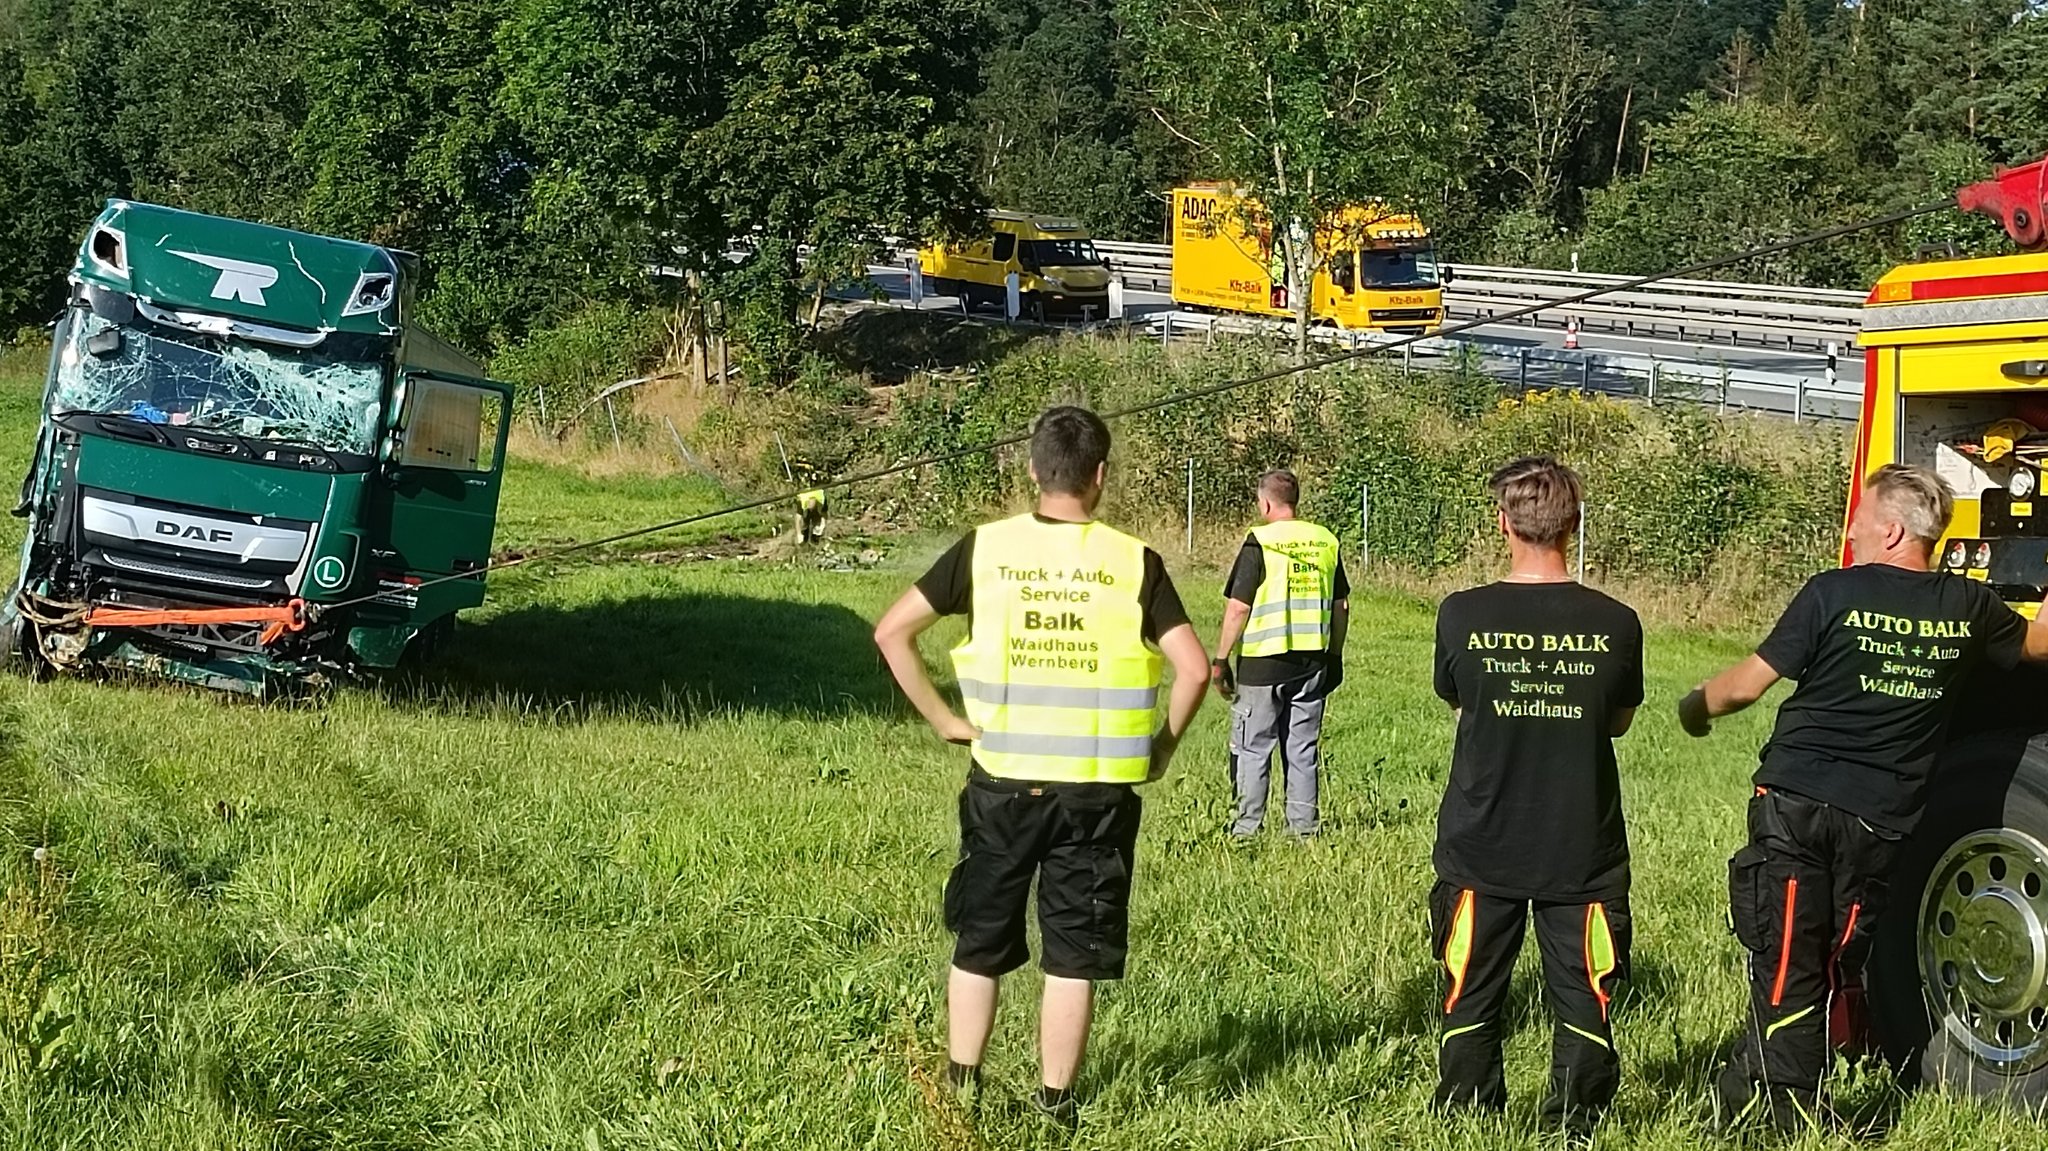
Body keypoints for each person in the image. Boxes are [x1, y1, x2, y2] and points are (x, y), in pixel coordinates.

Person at [1680, 463, 2048, 1132]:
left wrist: (1695, 705)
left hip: (1797, 802)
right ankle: (1755, 1097)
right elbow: (2038, 643)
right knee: (1827, 960)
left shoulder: (1832, 592)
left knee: (1789, 958)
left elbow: (1747, 686)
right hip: (1878, 821)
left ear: (1893, 528)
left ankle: (1778, 1111)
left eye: (1860, 517)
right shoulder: (1968, 607)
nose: (1850, 529)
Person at [872, 405, 1209, 1129]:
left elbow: (891, 631)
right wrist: (1161, 746)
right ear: (1101, 476)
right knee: (1073, 953)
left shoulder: (985, 550)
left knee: (981, 938)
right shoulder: (1133, 561)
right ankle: (1056, 1104)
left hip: (1002, 780)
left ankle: (962, 1085)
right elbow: (1194, 669)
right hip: (1096, 790)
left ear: (1032, 469)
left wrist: (942, 718)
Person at [1429, 456, 1644, 1139]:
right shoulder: (1617, 621)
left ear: (1503, 523)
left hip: (1481, 838)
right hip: (1580, 844)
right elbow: (1618, 720)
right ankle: (1575, 1125)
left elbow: (1460, 702)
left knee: (1471, 992)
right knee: (1586, 997)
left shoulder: (1461, 614)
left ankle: (1467, 1115)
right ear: (1573, 525)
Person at [1210, 470, 1349, 837]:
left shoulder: (1260, 541)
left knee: (1253, 749)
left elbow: (1238, 607)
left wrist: (1221, 659)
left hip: (1262, 664)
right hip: (1313, 661)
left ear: (1266, 502)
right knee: (1302, 750)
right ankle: (1304, 831)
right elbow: (1341, 607)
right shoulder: (1325, 541)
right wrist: (1335, 656)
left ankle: (1245, 830)